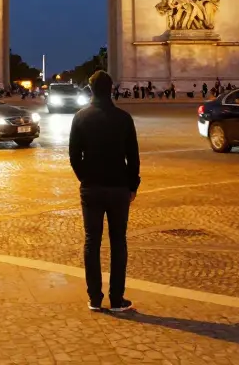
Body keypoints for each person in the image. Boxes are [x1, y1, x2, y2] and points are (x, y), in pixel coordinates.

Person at [68, 70, 140, 313]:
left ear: (90, 89)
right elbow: (134, 157)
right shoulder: (124, 118)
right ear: (111, 89)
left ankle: (95, 298)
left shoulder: (80, 117)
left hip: (92, 188)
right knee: (118, 242)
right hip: (119, 187)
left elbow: (73, 157)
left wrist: (85, 178)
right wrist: (133, 186)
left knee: (92, 242)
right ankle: (117, 299)